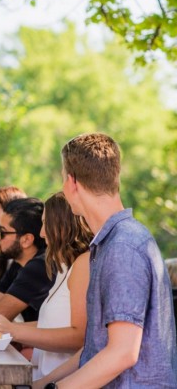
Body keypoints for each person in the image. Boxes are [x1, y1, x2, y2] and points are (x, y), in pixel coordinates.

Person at [35, 133, 177, 388]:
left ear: (71, 183)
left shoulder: (123, 247)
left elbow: (122, 353)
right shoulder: (110, 244)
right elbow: (94, 349)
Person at [0, 192, 93, 380]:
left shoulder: (78, 266)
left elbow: (81, 337)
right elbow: (50, 325)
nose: (42, 233)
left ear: (62, 227)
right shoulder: (63, 267)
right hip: (38, 373)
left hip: (49, 379)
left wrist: (14, 331)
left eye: (46, 224)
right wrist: (13, 333)